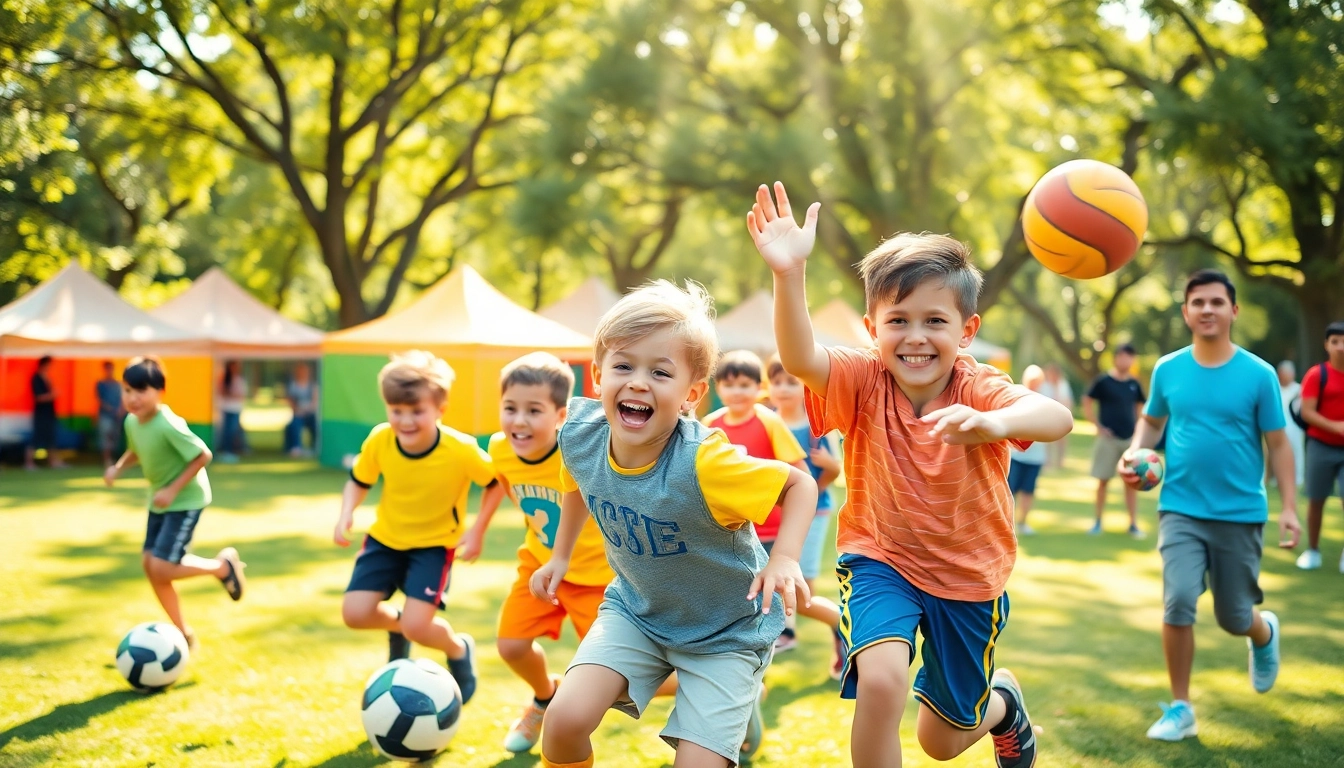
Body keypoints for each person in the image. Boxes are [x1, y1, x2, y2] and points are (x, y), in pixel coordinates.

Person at [748, 181, 1073, 768]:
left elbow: (1056, 417)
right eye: (898, 319)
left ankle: (1003, 709)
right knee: (879, 683)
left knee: (940, 743)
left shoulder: (977, 385)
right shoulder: (862, 378)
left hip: (969, 577)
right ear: (872, 328)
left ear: (965, 331)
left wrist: (994, 424)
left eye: (934, 321)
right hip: (880, 559)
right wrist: (788, 274)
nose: (916, 337)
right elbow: (799, 358)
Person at [529, 280, 819, 768]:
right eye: (624, 366)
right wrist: (559, 555)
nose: (639, 382)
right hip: (637, 613)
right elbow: (577, 484)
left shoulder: (705, 461)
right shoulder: (580, 436)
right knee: (563, 722)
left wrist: (785, 558)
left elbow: (799, 485)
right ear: (598, 376)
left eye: (660, 372)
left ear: (693, 393)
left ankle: (738, 699)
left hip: (727, 634)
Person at [1118, 269, 1301, 742]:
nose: (1207, 310)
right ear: (1186, 312)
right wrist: (1136, 453)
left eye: (1217, 302)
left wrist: (1289, 508)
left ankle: (1263, 633)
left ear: (1233, 311)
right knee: (1178, 600)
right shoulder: (1168, 369)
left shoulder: (1258, 375)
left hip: (1240, 513)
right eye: (1198, 302)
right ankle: (1181, 708)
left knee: (1233, 616)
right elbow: (1151, 423)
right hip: (1180, 506)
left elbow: (1279, 445)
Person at [456, 353, 616, 754]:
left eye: (533, 410)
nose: (519, 421)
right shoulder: (498, 447)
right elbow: (501, 482)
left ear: (561, 414)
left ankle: (717, 695)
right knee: (510, 645)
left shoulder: (577, 451)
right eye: (510, 409)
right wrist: (477, 530)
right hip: (539, 565)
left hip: (597, 576)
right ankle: (545, 697)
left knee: (620, 683)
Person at [334, 351, 494, 703]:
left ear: (440, 408)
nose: (405, 421)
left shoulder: (461, 449)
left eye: (416, 411)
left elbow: (495, 482)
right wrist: (347, 511)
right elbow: (359, 479)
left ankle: (457, 649)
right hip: (385, 540)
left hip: (434, 547)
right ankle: (399, 629)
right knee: (355, 614)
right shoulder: (380, 439)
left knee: (419, 626)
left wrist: (478, 529)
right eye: (396, 411)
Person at [104, 356, 246, 650]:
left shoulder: (167, 423)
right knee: (149, 565)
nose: (133, 398)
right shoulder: (132, 421)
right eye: (128, 390)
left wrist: (171, 489)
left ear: (160, 391)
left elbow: (202, 455)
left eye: (141, 391)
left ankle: (222, 567)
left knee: (163, 566)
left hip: (185, 500)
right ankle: (184, 634)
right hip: (159, 501)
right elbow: (135, 449)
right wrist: (118, 467)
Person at [704, 350, 816, 647]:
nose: (737, 392)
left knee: (779, 584)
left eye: (745, 385)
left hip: (772, 525)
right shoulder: (710, 426)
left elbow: (800, 472)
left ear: (759, 387)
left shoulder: (770, 422)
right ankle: (743, 641)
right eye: (729, 385)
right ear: (718, 389)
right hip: (732, 526)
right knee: (739, 587)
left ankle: (808, 626)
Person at [766, 353, 847, 678]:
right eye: (776, 382)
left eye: (791, 381)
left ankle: (842, 624)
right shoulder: (768, 419)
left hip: (813, 513)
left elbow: (833, 467)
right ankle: (786, 632)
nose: (783, 388)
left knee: (801, 590)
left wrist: (823, 475)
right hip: (772, 515)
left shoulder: (817, 423)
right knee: (772, 580)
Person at [1295, 320, 1344, 571]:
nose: (1341, 347)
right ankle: (1312, 550)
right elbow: (1307, 412)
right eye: (1335, 341)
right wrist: (1336, 426)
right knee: (1316, 500)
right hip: (1320, 446)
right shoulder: (1317, 375)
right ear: (1327, 345)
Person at [1084, 343, 1146, 537]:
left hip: (1129, 441)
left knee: (1131, 483)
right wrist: (1098, 426)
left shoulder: (1134, 384)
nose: (1126, 360)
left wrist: (1139, 431)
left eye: (1130, 357)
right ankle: (1097, 522)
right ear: (1116, 358)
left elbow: (1140, 409)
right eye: (1123, 356)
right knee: (1103, 481)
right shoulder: (1103, 381)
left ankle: (1133, 524)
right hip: (1108, 440)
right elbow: (1087, 400)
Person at [1009, 365, 1049, 536]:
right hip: (1017, 456)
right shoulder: (1016, 396)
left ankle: (1023, 522)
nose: (1035, 384)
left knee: (1028, 491)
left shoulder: (1044, 400)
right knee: (1011, 490)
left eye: (1037, 381)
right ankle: (1007, 522)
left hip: (1035, 457)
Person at [25, 355, 65, 469]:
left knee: (51, 437)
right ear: (43, 364)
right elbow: (38, 397)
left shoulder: (47, 377)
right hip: (40, 413)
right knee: (36, 438)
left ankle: (53, 462)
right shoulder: (36, 378)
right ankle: (28, 463)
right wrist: (52, 395)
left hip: (49, 413)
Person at [1274, 360, 1305, 489]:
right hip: (1279, 427)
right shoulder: (1276, 389)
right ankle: (1278, 478)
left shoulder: (1299, 389)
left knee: (1297, 451)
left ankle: (1298, 478)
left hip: (1296, 428)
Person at [1039, 363, 1074, 470]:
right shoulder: (1044, 385)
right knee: (1046, 439)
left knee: (1061, 440)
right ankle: (1048, 461)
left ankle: (1060, 461)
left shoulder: (1062, 385)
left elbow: (1067, 400)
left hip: (1060, 415)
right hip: (1047, 415)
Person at [284, 362, 319, 457]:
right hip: (298, 413)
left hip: (310, 414)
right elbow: (290, 401)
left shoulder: (312, 386)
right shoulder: (293, 385)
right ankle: (296, 447)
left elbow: (315, 402)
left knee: (316, 425)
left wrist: (307, 409)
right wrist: (298, 410)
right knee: (294, 424)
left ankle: (315, 446)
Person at [217, 360, 247, 463]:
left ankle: (233, 450)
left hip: (236, 408)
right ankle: (226, 451)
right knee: (227, 431)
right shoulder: (225, 379)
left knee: (234, 431)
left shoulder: (239, 379)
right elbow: (222, 392)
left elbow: (241, 394)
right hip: (227, 408)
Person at [96, 360, 125, 468]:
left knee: (115, 438)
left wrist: (120, 410)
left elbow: (123, 398)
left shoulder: (118, 384)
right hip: (105, 415)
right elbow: (100, 400)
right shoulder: (100, 384)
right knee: (105, 437)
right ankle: (107, 460)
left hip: (117, 416)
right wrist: (113, 410)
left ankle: (113, 459)